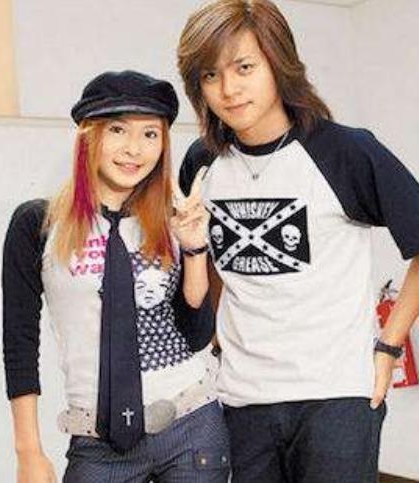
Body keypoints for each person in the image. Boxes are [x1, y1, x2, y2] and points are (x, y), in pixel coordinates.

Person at [177, 1, 419, 482]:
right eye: (210, 75)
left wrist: (389, 347)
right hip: (242, 402)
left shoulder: (345, 150)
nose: (228, 89)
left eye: (244, 68)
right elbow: (209, 260)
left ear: (278, 62)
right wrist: (221, 340)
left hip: (336, 398)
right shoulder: (202, 163)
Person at [2, 70, 230, 483]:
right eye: (118, 130)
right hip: (98, 443)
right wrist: (28, 451)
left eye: (150, 134)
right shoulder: (39, 224)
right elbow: (19, 341)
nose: (134, 149)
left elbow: (197, 334)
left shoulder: (172, 219)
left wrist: (195, 249)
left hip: (190, 427)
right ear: (89, 137)